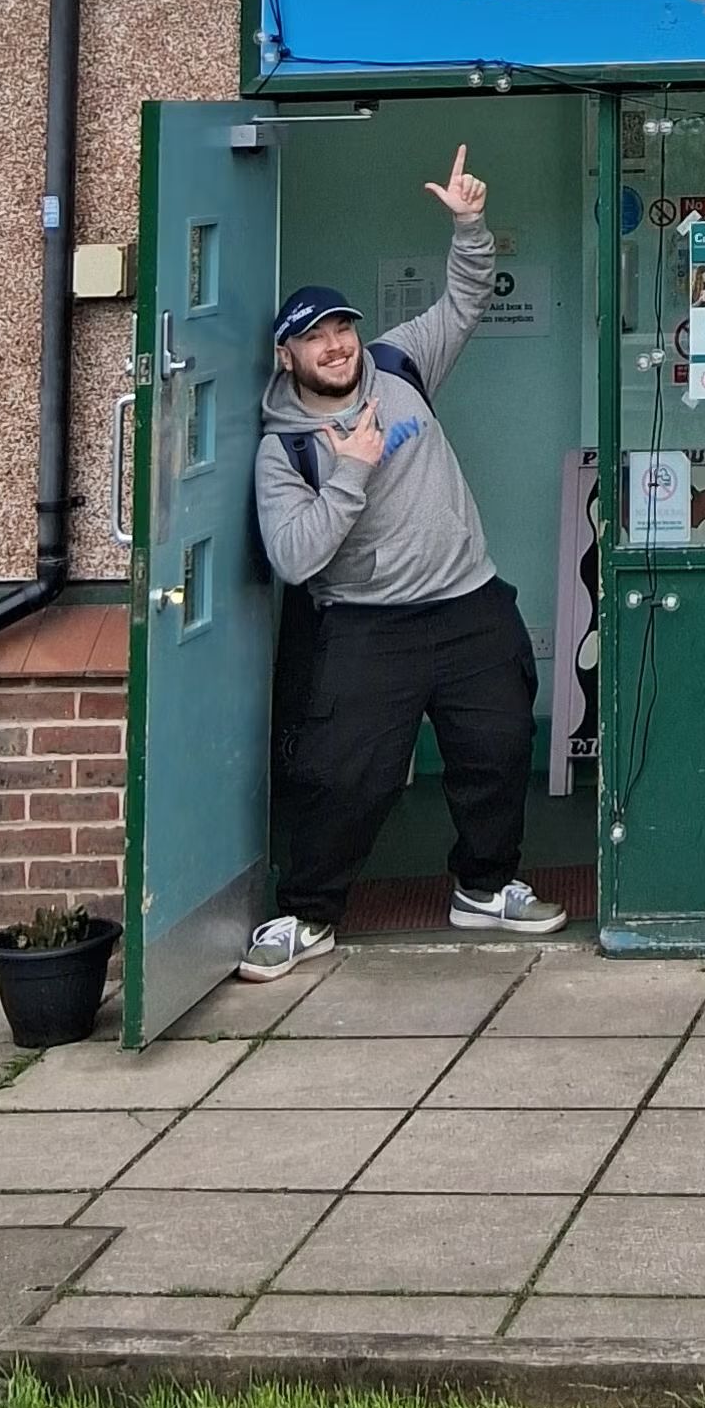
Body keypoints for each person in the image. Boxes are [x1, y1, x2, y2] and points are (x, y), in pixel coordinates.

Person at [236, 142, 563, 982]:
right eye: (316, 338)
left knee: (494, 753)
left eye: (342, 327)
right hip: (365, 627)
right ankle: (306, 913)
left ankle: (483, 888)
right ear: (288, 357)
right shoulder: (284, 451)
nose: (337, 345)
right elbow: (299, 560)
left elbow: (465, 298)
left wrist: (470, 224)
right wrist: (351, 470)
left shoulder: (399, 363)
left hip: (468, 602)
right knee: (349, 780)